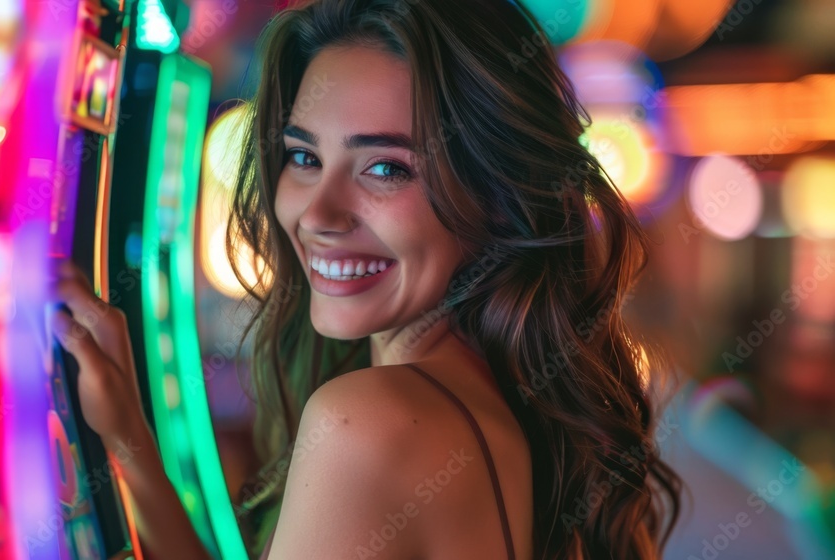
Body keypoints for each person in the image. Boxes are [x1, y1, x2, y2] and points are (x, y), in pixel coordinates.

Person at [52, 0, 682, 558]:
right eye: (304, 157)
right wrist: (129, 441)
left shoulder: (372, 419)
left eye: (385, 168)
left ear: (495, 192)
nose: (319, 215)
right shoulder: (492, 406)